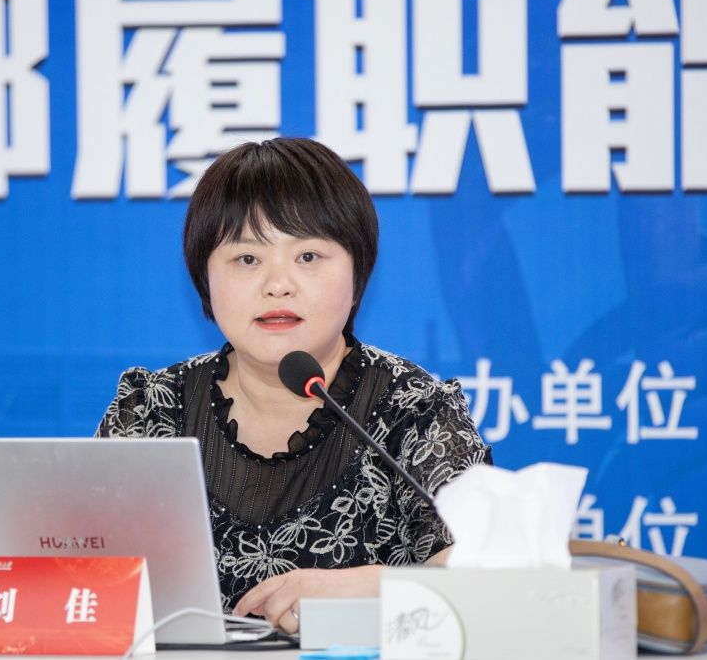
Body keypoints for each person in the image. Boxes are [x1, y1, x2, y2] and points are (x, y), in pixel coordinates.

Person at [96, 137, 491, 633]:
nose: (278, 284)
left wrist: (370, 588)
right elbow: (82, 571)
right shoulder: (152, 410)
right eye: (247, 259)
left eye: (308, 256)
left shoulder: (414, 411)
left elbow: (490, 572)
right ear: (205, 279)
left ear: (357, 274)